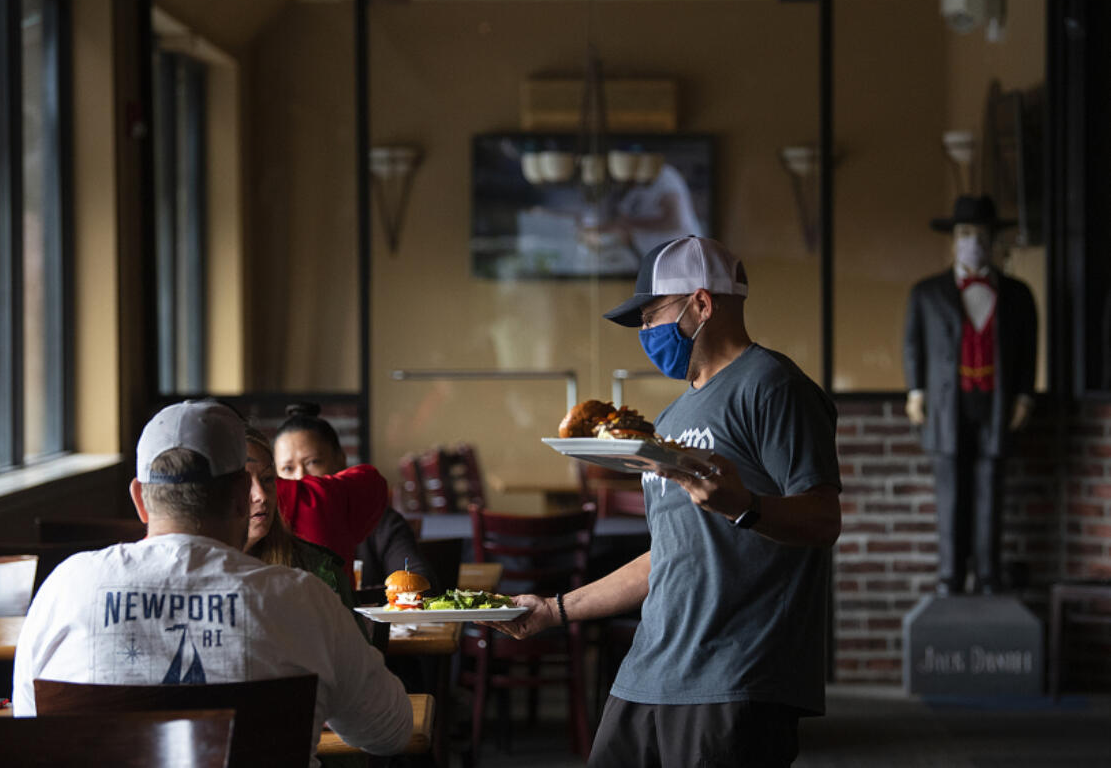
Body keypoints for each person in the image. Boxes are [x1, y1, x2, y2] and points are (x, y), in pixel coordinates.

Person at [490, 236, 842, 768]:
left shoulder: (773, 387)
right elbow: (669, 556)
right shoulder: (672, 419)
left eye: (653, 316)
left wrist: (745, 506)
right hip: (649, 670)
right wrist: (555, 611)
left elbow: (823, 518)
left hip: (735, 675)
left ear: (703, 304)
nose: (646, 333)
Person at [11, 399, 412, 766]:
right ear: (243, 496)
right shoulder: (304, 600)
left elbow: (28, 730)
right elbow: (390, 732)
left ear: (139, 499)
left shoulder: (66, 588)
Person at [904, 195, 1038, 595]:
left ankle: (988, 575)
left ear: (993, 239)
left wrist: (1025, 397)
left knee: (989, 491)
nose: (973, 241)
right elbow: (914, 345)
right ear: (953, 240)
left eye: (980, 234)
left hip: (995, 405)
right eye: (965, 233)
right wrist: (916, 392)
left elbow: (1029, 351)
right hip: (948, 406)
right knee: (950, 493)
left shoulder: (1018, 295)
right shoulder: (926, 293)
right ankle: (950, 575)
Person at [273, 403, 430, 586]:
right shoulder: (269, 527)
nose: (300, 476)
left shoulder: (377, 519)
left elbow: (416, 579)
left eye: (313, 462)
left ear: (341, 460)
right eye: (287, 468)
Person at [243, 423, 362, 624]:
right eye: (244, 483)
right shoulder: (183, 568)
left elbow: (353, 654)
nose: (261, 496)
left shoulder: (319, 569)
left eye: (267, 479)